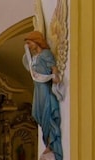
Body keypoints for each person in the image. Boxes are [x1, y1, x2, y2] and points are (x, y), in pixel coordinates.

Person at [24, 31, 63, 160]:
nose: (28, 46)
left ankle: (51, 145)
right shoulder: (34, 58)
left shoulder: (46, 54)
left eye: (29, 43)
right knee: (38, 115)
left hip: (45, 90)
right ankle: (47, 142)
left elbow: (54, 70)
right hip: (37, 90)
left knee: (48, 115)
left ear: (36, 41)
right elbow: (28, 65)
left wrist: (55, 77)